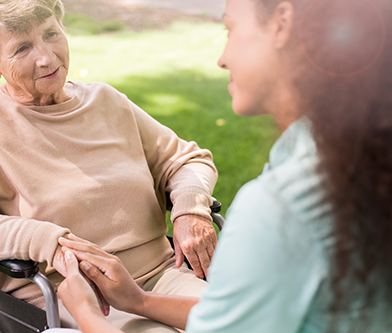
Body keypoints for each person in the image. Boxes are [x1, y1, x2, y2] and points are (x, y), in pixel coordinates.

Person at [55, 0, 392, 331]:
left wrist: (87, 315)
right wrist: (138, 301)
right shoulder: (352, 159)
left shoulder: (280, 209)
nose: (222, 58)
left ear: (282, 23)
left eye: (229, 28)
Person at [0, 0, 219, 331]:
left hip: (164, 275)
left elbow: (186, 159)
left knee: (251, 321)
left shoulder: (106, 101)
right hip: (73, 296)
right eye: (22, 48)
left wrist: (191, 207)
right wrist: (47, 240)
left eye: (51, 33)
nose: (47, 57)